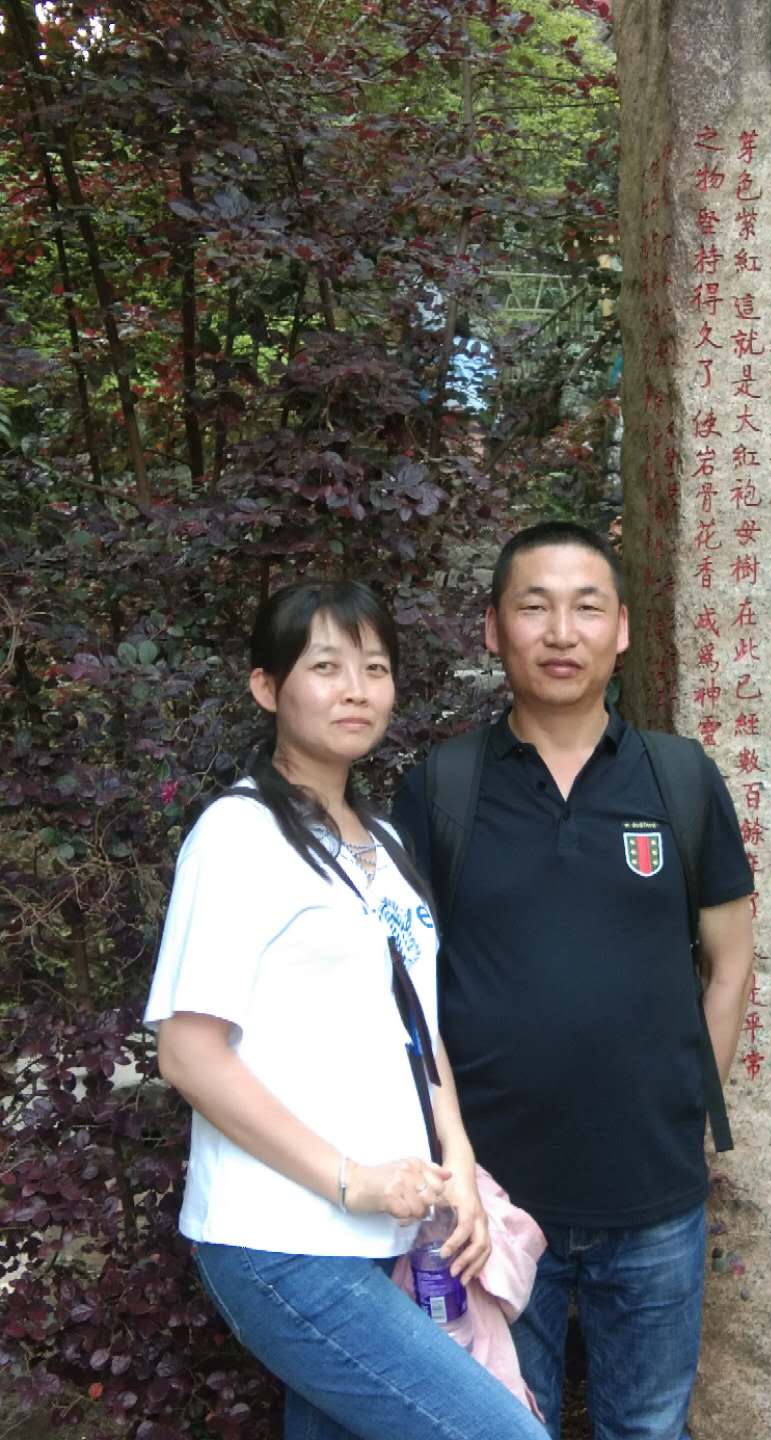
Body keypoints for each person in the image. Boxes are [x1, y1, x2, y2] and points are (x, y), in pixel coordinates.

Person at [144, 579, 548, 1440]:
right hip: (281, 1238)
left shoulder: (385, 843)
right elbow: (189, 1052)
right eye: (325, 667)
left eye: (374, 667)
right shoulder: (238, 836)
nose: (356, 689)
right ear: (267, 687)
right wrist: (350, 1179)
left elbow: (417, 1028)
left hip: (385, 1236)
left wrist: (459, 1164)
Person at [393, 522, 756, 1440]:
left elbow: (730, 960)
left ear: (621, 629)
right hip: (493, 1202)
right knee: (503, 1426)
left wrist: (684, 1112)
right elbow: (404, 990)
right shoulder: (441, 788)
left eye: (587, 607)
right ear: (493, 628)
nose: (562, 632)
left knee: (650, 1427)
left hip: (654, 1196)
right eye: (535, 607)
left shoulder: (679, 778)